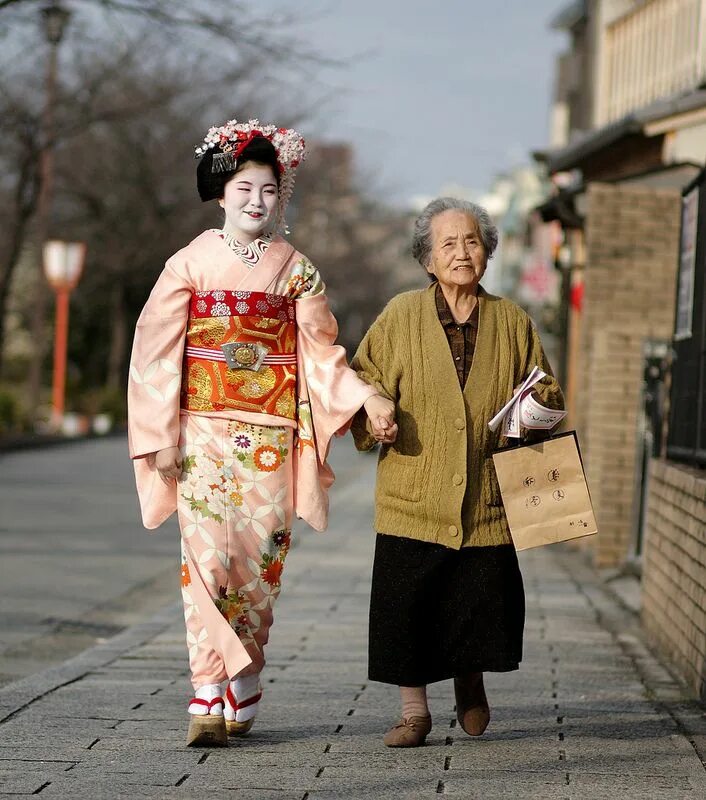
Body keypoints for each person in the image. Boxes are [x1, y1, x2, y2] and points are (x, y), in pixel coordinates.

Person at [127, 118, 394, 747]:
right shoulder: (188, 263)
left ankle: (244, 675)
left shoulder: (298, 271)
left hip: (269, 432)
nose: (256, 200)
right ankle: (205, 689)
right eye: (244, 188)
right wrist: (161, 434)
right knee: (204, 560)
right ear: (221, 194)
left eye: (269, 190)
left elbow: (321, 353)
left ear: (283, 197)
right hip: (202, 430)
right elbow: (156, 351)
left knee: (255, 562)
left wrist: (363, 396)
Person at [351, 196, 564, 747]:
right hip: (413, 492)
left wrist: (533, 412)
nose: (461, 252)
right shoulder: (400, 315)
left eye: (471, 241)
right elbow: (362, 379)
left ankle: (470, 683)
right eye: (448, 243)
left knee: (476, 601)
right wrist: (377, 417)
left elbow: (546, 388)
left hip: (486, 495)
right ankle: (413, 713)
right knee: (408, 606)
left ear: (488, 253)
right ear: (427, 258)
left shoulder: (512, 320)